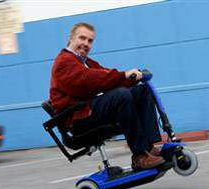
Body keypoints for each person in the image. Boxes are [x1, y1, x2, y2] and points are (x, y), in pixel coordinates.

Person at [49, 22, 165, 169]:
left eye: (90, 41)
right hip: (77, 119)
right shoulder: (64, 62)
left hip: (89, 111)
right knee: (121, 96)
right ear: (71, 39)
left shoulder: (87, 62)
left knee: (141, 91)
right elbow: (90, 80)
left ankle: (148, 147)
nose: (86, 43)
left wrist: (131, 79)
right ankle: (139, 155)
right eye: (82, 38)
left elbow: (108, 79)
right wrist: (124, 75)